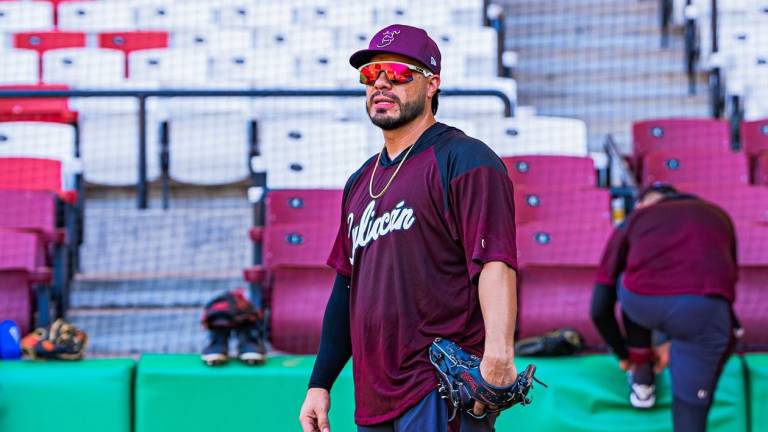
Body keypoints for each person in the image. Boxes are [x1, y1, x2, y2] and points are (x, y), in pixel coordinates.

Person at [298, 24, 519, 432]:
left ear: (432, 83)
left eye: (398, 74)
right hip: (374, 393)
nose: (381, 83)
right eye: (370, 75)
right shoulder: (359, 182)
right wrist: (320, 383)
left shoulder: (466, 159)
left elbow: (495, 263)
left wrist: (499, 355)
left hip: (438, 386)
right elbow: (347, 287)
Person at [591, 182, 738, 432]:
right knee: (691, 413)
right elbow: (725, 283)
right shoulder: (717, 215)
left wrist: (624, 355)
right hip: (706, 315)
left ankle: (641, 365)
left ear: (645, 204)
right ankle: (651, 356)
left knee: (628, 275)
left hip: (645, 304)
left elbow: (599, 308)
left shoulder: (635, 219)